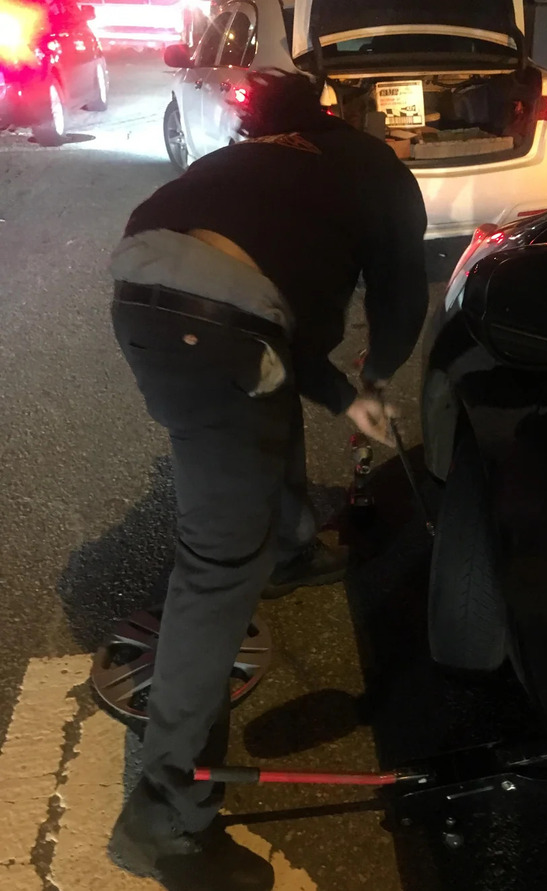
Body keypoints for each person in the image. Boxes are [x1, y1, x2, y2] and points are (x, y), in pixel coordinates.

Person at [107, 68, 428, 889]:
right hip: (217, 326)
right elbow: (399, 303)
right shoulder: (379, 168)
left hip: (143, 293)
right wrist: (377, 374)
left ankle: (287, 549)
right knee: (216, 567)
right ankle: (166, 820)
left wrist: (343, 397)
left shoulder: (262, 155)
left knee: (260, 394)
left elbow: (276, 337)